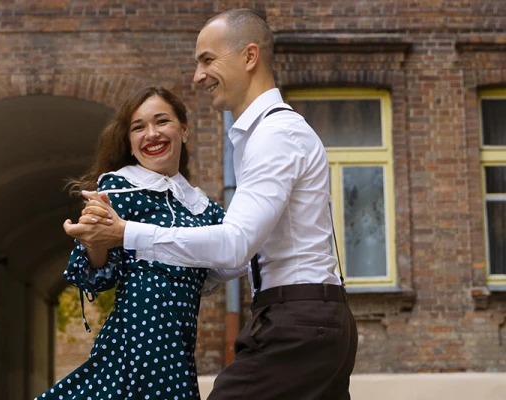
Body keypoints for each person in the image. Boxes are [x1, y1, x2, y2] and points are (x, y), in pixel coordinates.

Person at [69, 8, 358, 400]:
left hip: (299, 321)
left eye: (208, 60)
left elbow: (235, 245)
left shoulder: (273, 135)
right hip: (303, 319)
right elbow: (239, 255)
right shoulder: (260, 136)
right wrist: (102, 241)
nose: (198, 75)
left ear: (249, 57)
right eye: (138, 127)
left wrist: (127, 233)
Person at [36, 86, 244, 400]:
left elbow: (234, 252)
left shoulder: (205, 210)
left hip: (176, 358)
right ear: (130, 143)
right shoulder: (120, 189)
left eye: (162, 122)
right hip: (127, 354)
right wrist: (94, 239)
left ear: (183, 129)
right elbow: (95, 275)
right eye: (138, 127)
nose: (151, 134)